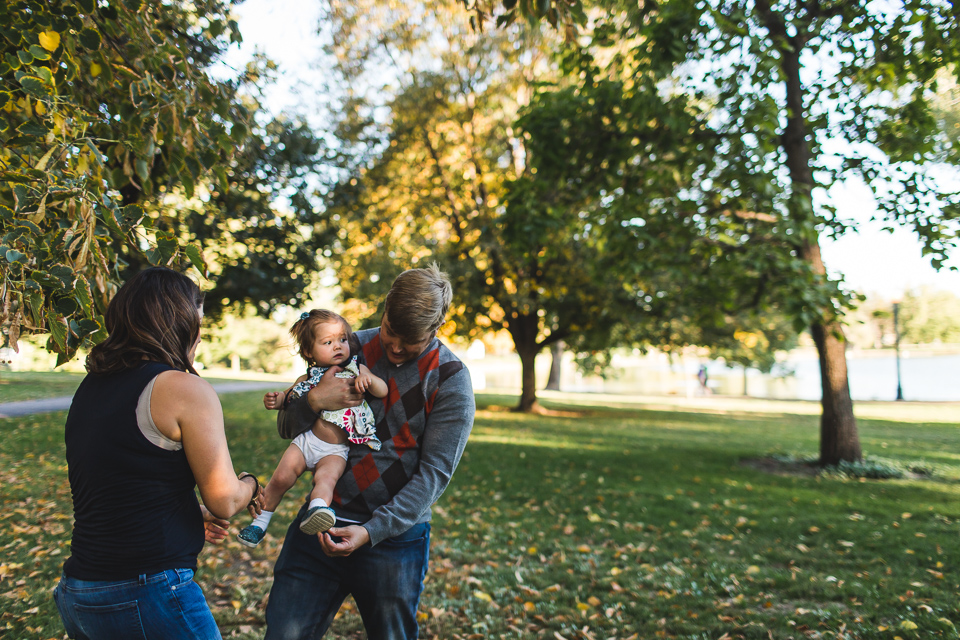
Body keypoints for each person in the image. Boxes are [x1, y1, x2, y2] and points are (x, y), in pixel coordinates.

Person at [264, 264, 476, 640]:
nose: (394, 346)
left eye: (409, 340)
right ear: (385, 310)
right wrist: (314, 400)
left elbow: (434, 475)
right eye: (391, 330)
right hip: (321, 521)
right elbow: (287, 429)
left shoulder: (450, 380)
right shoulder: (347, 348)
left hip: (394, 540)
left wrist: (372, 531)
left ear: (436, 328)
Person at [53, 267, 265, 640]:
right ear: (180, 322)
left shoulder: (92, 386)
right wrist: (249, 483)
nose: (200, 333)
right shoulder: (182, 388)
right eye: (198, 319)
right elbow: (225, 499)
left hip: (79, 594)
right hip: (144, 593)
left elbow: (120, 479)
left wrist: (184, 512)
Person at [237, 310, 388, 548]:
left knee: (326, 480)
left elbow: (383, 390)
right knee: (280, 480)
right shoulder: (306, 378)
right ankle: (259, 525)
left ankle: (318, 510)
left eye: (343, 340)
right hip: (306, 442)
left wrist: (368, 381)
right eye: (328, 342)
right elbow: (288, 400)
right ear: (309, 352)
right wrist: (276, 400)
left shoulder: (358, 369)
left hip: (335, 450)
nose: (338, 346)